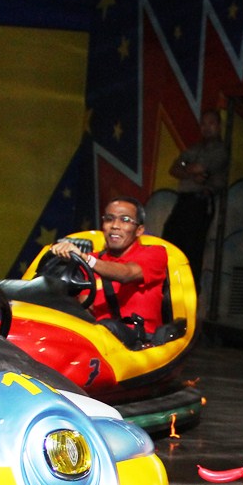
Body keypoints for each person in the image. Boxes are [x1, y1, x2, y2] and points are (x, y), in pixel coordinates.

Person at [48, 197, 168, 345]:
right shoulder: (88, 261)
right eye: (109, 219)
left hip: (138, 341)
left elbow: (127, 274)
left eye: (125, 220)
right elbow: (86, 310)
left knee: (108, 326)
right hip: (98, 339)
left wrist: (85, 259)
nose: (115, 226)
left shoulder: (155, 254)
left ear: (139, 230)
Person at [161, 109, 228, 272]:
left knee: (192, 249)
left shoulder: (220, 150)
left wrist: (185, 168)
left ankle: (191, 291)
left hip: (200, 202)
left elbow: (199, 167)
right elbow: (174, 169)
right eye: (203, 124)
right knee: (169, 240)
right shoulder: (195, 148)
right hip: (183, 200)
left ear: (218, 126)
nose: (207, 128)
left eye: (211, 123)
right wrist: (190, 173)